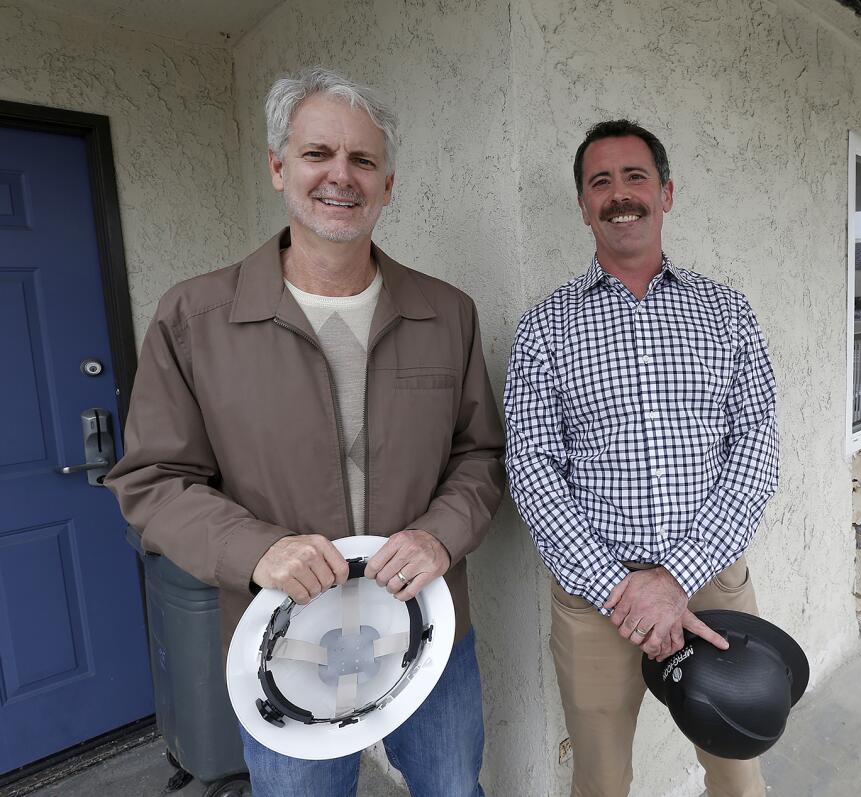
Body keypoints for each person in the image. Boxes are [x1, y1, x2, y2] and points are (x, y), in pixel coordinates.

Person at [106, 66, 504, 797]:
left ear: (389, 183)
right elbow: (152, 481)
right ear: (278, 166)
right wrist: (258, 548)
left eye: (364, 160)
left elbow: (479, 454)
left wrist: (439, 534)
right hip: (282, 641)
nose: (340, 177)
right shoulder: (195, 318)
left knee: (453, 787)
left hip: (429, 626)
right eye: (319, 153)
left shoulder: (447, 313)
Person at [504, 120, 780, 797]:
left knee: (737, 768)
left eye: (635, 177)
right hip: (594, 596)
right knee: (600, 778)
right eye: (600, 182)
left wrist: (675, 577)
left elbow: (757, 449)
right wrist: (618, 589)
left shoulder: (727, 313)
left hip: (712, 579)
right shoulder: (545, 328)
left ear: (666, 192)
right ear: (582, 205)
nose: (619, 194)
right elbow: (532, 469)